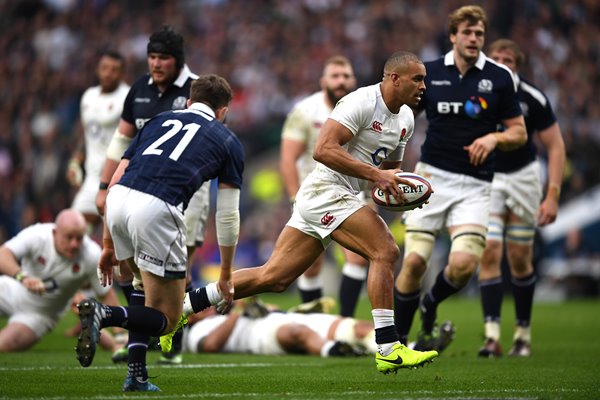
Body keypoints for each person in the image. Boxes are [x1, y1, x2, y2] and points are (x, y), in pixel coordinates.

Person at [176, 51, 439, 375]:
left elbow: (386, 177)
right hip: (325, 191)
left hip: (337, 196)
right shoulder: (360, 102)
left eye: (424, 79)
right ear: (394, 78)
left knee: (273, 278)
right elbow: (322, 149)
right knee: (385, 250)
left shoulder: (406, 120)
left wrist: (403, 194)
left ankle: (183, 307)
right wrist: (377, 177)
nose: (423, 85)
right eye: (418, 78)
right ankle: (388, 347)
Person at [74, 74, 243, 392]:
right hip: (158, 207)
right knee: (169, 315)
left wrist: (108, 244)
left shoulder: (158, 120)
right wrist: (225, 273)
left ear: (190, 102)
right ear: (223, 111)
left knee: (139, 287)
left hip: (119, 201)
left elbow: (115, 181)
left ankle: (136, 375)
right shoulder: (227, 140)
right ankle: (104, 313)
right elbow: (228, 214)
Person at [393, 5, 527, 352]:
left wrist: (494, 138)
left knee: (464, 265)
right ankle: (399, 344)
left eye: (479, 33)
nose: (473, 39)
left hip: (476, 186)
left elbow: (519, 132)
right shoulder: (430, 74)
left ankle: (431, 302)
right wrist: (393, 161)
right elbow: (403, 118)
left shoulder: (499, 77)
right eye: (467, 33)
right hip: (432, 180)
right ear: (453, 36)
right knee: (414, 261)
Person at [95, 25, 204, 365]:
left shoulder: (195, 88)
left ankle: (173, 343)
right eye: (152, 57)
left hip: (187, 190)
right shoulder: (139, 88)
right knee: (132, 269)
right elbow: (120, 141)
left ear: (178, 60)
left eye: (163, 58)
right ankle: (139, 337)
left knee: (179, 268)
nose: (156, 64)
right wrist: (103, 187)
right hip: (140, 187)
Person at [477, 39, 566, 358]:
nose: (501, 63)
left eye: (508, 59)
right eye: (495, 58)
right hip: (487, 176)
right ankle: (490, 336)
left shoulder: (532, 97)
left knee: (518, 258)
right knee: (488, 249)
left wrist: (552, 195)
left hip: (524, 178)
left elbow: (555, 146)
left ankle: (522, 335)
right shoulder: (477, 91)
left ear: (518, 65)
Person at [279, 55, 370, 317]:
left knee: (356, 257)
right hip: (314, 193)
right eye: (335, 76)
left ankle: (345, 322)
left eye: (346, 76)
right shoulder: (305, 111)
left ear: (353, 80)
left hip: (351, 193)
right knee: (311, 265)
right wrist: (294, 196)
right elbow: (288, 158)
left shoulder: (362, 109)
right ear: (323, 81)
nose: (341, 81)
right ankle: (315, 323)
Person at [0, 209, 120, 352]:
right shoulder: (37, 235)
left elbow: (106, 295)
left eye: (79, 238)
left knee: (6, 344)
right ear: (55, 233)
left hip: (40, 315)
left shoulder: (92, 255)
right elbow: (3, 254)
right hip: (12, 289)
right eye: (69, 237)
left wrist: (121, 333)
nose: (74, 244)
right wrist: (22, 277)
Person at [67, 51, 130, 233]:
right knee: (72, 231)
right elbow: (88, 134)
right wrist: (76, 160)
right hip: (92, 180)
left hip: (118, 181)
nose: (108, 73)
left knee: (117, 244)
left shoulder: (128, 97)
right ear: (97, 70)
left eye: (114, 69)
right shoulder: (88, 96)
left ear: (123, 73)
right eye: (104, 68)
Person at [184, 299, 374, 357]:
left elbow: (269, 310)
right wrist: (238, 311)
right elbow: (210, 345)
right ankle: (335, 351)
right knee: (297, 332)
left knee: (357, 328)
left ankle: (400, 349)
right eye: (195, 307)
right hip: (265, 335)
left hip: (288, 317)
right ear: (188, 319)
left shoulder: (226, 313)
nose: (205, 306)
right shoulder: (196, 332)